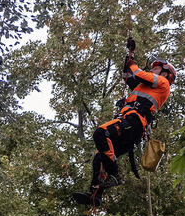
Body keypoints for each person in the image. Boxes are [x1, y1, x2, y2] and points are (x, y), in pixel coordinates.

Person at [75, 45, 176, 206]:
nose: (152, 70)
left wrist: (133, 64)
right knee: (100, 157)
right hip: (130, 127)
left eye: (156, 68)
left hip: (133, 122)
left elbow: (137, 73)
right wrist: (130, 56)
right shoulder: (144, 87)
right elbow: (127, 76)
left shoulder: (163, 83)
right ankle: (95, 195)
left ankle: (114, 174)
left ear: (165, 73)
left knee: (101, 132)